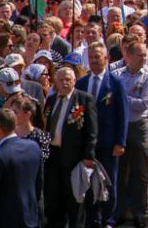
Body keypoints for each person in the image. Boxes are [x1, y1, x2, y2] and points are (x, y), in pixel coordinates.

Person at [77, 42, 128, 228]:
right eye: (91, 57)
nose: (93, 61)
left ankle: (108, 219)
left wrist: (120, 142)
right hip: (87, 144)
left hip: (109, 142)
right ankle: (92, 219)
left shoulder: (116, 83)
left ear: (106, 59)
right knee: (89, 182)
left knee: (108, 182)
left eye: (97, 57)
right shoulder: (82, 83)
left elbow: (123, 114)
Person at [43, 66, 98, 228]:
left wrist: (89, 154)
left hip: (74, 157)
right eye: (61, 80)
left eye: (68, 79)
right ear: (55, 82)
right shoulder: (51, 100)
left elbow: (92, 130)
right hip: (52, 155)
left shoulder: (84, 99)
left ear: (74, 81)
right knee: (53, 195)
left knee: (75, 197)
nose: (65, 83)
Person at [113, 41, 148, 228]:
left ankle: (140, 212)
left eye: (145, 55)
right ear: (128, 56)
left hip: (139, 126)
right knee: (120, 171)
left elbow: (144, 103)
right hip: (120, 126)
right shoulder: (115, 75)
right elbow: (110, 99)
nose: (144, 58)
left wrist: (121, 97)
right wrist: (127, 99)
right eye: (139, 55)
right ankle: (119, 211)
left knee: (141, 171)